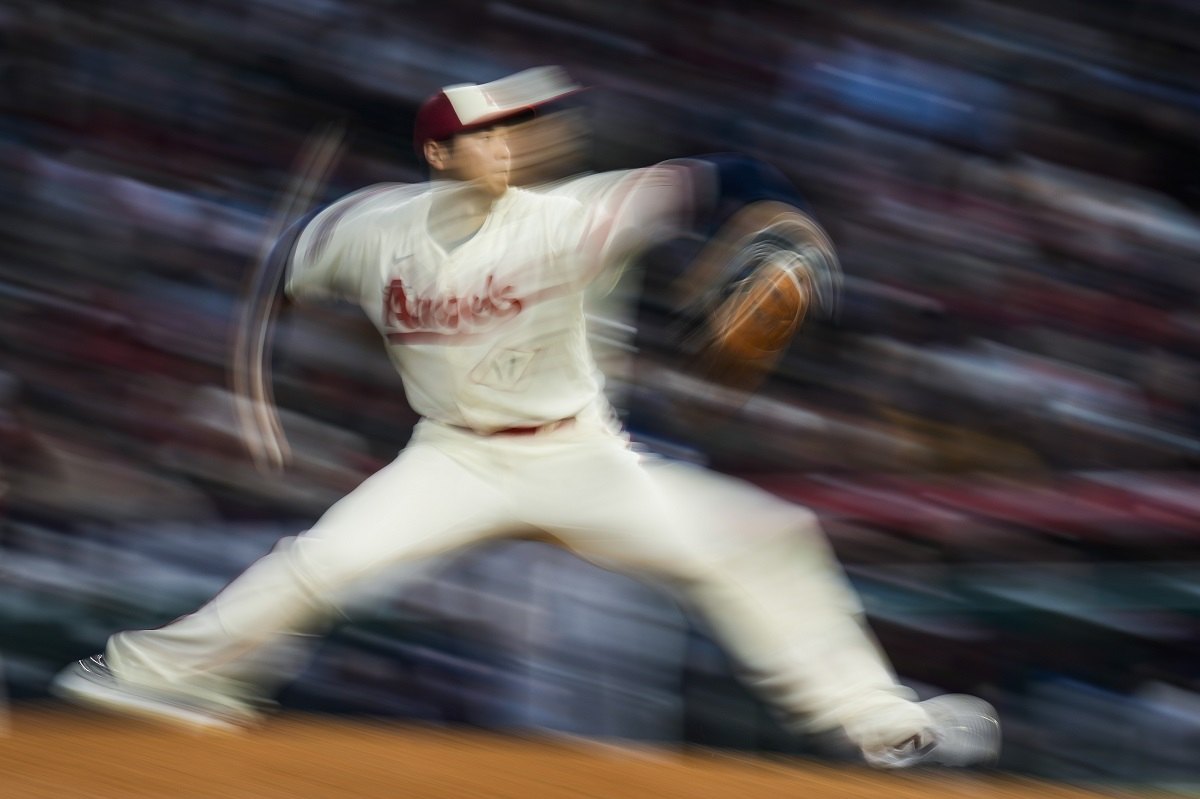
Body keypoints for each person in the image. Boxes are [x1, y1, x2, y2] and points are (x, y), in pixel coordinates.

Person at [53, 67, 999, 769]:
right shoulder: (371, 226)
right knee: (322, 563)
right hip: (453, 459)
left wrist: (791, 225)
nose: (512, 143)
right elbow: (285, 264)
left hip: (581, 456)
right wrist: (253, 383)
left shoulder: (580, 213)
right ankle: (149, 675)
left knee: (764, 535)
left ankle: (883, 722)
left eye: (519, 128)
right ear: (437, 153)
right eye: (490, 132)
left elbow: (728, 174)